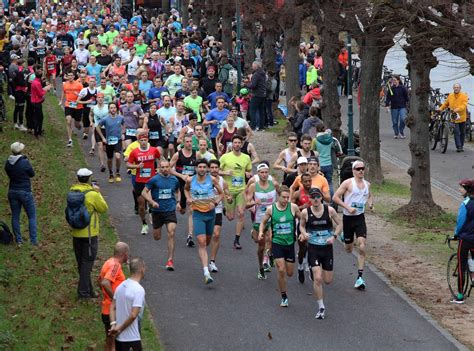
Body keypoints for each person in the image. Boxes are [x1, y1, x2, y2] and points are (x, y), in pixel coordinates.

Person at [299, 188, 342, 319]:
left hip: (327, 249)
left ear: (321, 198)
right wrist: (304, 233)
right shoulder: (305, 212)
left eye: (318, 197)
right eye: (313, 197)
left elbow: (340, 224)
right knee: (318, 278)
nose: (316, 199)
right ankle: (321, 307)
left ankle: (313, 269)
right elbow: (301, 226)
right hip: (313, 248)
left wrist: (334, 236)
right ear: (310, 199)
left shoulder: (330, 210)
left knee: (327, 280)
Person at [333, 160, 373, 290]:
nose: (361, 171)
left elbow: (370, 196)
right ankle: (345, 236)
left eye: (362, 168)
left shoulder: (367, 184)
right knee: (349, 249)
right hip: (348, 218)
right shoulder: (348, 183)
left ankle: (360, 277)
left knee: (362, 246)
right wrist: (348, 207)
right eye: (358, 169)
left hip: (360, 218)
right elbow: (335, 197)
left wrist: (371, 203)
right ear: (353, 171)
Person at [259, 185, 301, 307]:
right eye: (283, 197)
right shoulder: (270, 209)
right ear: (278, 196)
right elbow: (263, 222)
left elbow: (303, 220)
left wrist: (303, 232)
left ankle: (271, 256)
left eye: (288, 197)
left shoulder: (293, 208)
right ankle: (284, 296)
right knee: (281, 270)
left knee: (289, 273)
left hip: (290, 244)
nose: (286, 200)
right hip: (277, 243)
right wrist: (261, 232)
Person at [69, 168, 108, 298]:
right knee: (88, 263)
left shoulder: (72, 192)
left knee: (82, 263)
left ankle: (89, 290)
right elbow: (103, 208)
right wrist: (98, 192)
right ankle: (83, 292)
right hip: (90, 234)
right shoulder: (92, 194)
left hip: (76, 233)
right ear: (89, 179)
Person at [184, 159, 223, 284]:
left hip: (210, 214)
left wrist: (215, 202)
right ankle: (206, 272)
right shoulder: (190, 180)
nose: (201, 169)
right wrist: (189, 198)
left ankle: (207, 263)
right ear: (196, 168)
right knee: (201, 242)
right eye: (199, 167)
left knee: (207, 241)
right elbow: (185, 189)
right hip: (198, 214)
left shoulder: (212, 180)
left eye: (203, 167)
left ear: (207, 169)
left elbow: (221, 194)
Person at [142, 160, 180, 271]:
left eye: (167, 167)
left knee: (171, 233)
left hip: (170, 210)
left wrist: (178, 202)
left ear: (169, 167)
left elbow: (178, 191)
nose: (165, 169)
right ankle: (151, 215)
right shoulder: (154, 179)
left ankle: (170, 260)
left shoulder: (174, 179)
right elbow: (144, 192)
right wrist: (151, 201)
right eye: (162, 167)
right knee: (157, 237)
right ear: (159, 168)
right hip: (157, 211)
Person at [246, 163, 279, 280]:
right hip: (258, 219)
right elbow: (246, 204)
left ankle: (269, 255)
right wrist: (255, 203)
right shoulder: (253, 187)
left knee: (270, 238)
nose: (264, 175)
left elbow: (284, 197)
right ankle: (260, 266)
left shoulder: (274, 184)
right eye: (262, 172)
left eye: (266, 172)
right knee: (260, 245)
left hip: (271, 217)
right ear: (258, 173)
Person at [220, 135, 253, 249]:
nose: (237, 144)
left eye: (239, 142)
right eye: (235, 143)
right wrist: (225, 173)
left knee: (241, 213)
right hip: (228, 190)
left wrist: (248, 174)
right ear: (232, 144)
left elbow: (249, 170)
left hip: (241, 190)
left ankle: (236, 240)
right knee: (230, 217)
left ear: (241, 144)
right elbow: (215, 171)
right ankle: (226, 210)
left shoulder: (246, 158)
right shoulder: (225, 157)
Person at [126, 131, 161, 235]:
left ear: (147, 140)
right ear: (138, 141)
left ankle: (151, 212)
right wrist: (136, 166)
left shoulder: (154, 150)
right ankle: (144, 223)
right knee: (141, 205)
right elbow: (128, 164)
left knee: (151, 202)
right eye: (141, 140)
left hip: (152, 180)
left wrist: (159, 167)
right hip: (140, 181)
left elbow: (160, 158)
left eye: (145, 140)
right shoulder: (135, 152)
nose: (143, 142)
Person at [109, 257, 146, 350]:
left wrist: (114, 325)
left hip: (119, 339)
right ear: (142, 269)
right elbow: (133, 315)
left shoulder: (121, 286)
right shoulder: (138, 290)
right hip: (132, 338)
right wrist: (120, 328)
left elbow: (112, 306)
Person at [5, 142, 37, 246]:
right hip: (25, 191)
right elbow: (32, 174)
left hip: (12, 191)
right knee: (31, 216)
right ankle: (33, 240)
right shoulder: (24, 162)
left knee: (15, 215)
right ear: (21, 150)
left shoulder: (8, 163)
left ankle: (19, 240)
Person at [99, 242, 130, 351]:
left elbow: (100, 281)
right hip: (113, 311)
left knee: (110, 340)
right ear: (124, 254)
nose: (128, 255)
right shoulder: (115, 265)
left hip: (106, 308)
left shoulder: (108, 263)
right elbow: (105, 282)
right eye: (128, 253)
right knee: (114, 343)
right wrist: (115, 299)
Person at [450, 179, 474, 304]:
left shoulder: (466, 203)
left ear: (467, 189)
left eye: (461, 187)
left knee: (461, 266)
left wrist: (456, 234)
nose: (459, 189)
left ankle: (459, 296)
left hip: (466, 239)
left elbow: (460, 222)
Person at [208, 159, 231, 272]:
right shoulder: (203, 180)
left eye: (216, 168)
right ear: (208, 169)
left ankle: (212, 261)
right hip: (204, 210)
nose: (214, 170)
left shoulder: (223, 181)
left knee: (216, 235)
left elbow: (228, 195)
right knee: (206, 238)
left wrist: (230, 199)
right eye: (212, 168)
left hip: (217, 210)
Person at [291, 172, 312, 283]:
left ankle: (309, 265)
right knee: (303, 248)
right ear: (301, 182)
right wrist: (301, 207)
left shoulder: (315, 193)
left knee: (312, 246)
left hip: (313, 224)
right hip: (302, 224)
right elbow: (290, 209)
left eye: (310, 181)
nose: (308, 183)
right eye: (306, 181)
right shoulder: (297, 194)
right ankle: (300, 267)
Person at [97, 103, 125, 183]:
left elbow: (124, 125)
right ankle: (110, 173)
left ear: (116, 109)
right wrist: (103, 138)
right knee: (109, 159)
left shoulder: (121, 118)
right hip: (109, 141)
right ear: (109, 109)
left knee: (118, 156)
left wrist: (123, 133)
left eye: (114, 108)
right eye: (111, 108)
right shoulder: (105, 119)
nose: (113, 109)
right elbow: (97, 127)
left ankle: (118, 172)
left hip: (118, 140)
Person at [438, 83, 469, 152]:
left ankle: (461, 145)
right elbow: (446, 104)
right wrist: (440, 109)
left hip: (462, 117)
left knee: (462, 132)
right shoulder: (450, 96)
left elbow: (464, 105)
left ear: (460, 88)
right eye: (455, 87)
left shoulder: (464, 96)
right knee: (456, 132)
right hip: (454, 117)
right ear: (453, 88)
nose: (456, 88)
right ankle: (459, 147)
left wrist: (458, 109)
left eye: (457, 87)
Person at [385, 75, 409, 139]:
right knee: (395, 121)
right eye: (393, 80)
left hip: (402, 107)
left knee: (403, 119)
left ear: (398, 80)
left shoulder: (403, 88)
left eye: (395, 80)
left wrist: (408, 105)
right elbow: (388, 98)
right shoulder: (391, 89)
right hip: (394, 107)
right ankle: (396, 133)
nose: (394, 81)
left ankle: (401, 131)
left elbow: (407, 97)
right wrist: (387, 106)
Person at [247, 61, 267, 131]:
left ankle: (253, 126)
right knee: (261, 111)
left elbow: (253, 85)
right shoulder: (263, 73)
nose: (252, 67)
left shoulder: (256, 74)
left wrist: (247, 84)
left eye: (253, 65)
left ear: (256, 66)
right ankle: (261, 126)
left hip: (256, 94)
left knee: (252, 110)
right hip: (263, 94)